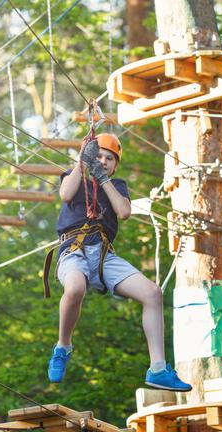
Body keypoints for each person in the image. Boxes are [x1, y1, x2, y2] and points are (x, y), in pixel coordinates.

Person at [46, 133, 191, 392]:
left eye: (109, 159)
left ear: (115, 165)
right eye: (99, 156)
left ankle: (158, 369)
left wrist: (103, 180)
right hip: (73, 250)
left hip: (103, 255)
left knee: (152, 293)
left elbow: (124, 212)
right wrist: (82, 163)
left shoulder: (117, 185)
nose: (102, 161)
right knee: (75, 287)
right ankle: (63, 347)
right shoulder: (74, 177)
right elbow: (65, 194)